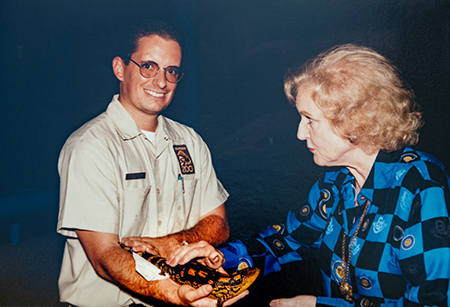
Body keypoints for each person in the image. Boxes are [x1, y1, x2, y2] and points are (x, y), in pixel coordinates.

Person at [166, 44, 450, 306]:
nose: (300, 133)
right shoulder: (336, 184)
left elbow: (432, 301)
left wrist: (317, 305)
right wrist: (219, 257)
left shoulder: (421, 186)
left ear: (355, 121)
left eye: (310, 120)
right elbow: (286, 240)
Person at [57, 19, 243, 307]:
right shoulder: (92, 145)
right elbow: (104, 258)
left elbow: (218, 223)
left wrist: (166, 245)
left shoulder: (190, 141)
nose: (161, 81)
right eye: (148, 66)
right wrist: (173, 292)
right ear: (120, 68)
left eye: (171, 71)